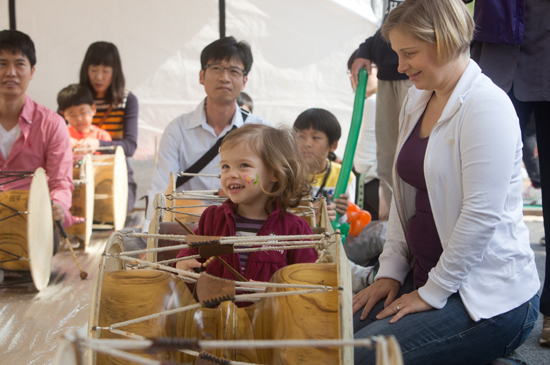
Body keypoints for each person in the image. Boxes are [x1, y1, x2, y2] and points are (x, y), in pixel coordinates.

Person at [351, 1, 540, 364]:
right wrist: (389, 273)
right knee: (332, 340)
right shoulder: (417, 99)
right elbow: (403, 202)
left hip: (486, 299)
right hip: (425, 278)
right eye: (397, 53)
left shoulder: (487, 106)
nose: (400, 66)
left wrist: (431, 293)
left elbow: (480, 216)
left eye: (409, 53)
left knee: (360, 358)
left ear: (446, 41)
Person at [469, 0, 550, 345]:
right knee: (473, 185)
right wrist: (371, 47)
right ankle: (472, 301)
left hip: (543, 59)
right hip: (494, 63)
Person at [146, 37, 270, 230]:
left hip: (246, 229)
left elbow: (272, 186)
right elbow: (161, 189)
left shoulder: (261, 130)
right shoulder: (177, 130)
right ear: (201, 76)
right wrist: (150, 237)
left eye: (234, 71)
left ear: (244, 81)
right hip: (187, 229)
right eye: (217, 68)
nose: (225, 78)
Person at [174, 124, 317, 285]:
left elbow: (307, 279)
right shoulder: (212, 219)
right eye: (225, 166)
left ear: (275, 173)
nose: (231, 174)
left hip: (270, 310)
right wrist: (182, 263)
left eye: (244, 165)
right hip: (215, 310)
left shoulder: (294, 229)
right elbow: (191, 252)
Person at [0, 30, 73, 229]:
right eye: (2, 63)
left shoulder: (51, 124)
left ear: (32, 71)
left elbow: (60, 182)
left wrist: (58, 205)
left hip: (34, 222)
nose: (11, 72)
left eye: (19, 64)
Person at [349, 0, 412, 220]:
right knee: (387, 163)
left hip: (414, 72)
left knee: (414, 160)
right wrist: (366, 49)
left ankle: (413, 241)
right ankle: (392, 238)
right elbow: (390, 22)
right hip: (387, 73)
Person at [78, 41, 138, 212]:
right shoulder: (74, 98)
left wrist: (98, 144)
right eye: (94, 70)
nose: (99, 77)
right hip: (80, 177)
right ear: (86, 70)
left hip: (116, 176)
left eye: (106, 71)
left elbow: (130, 146)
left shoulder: (127, 100)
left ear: (115, 72)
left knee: (113, 213)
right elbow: (55, 136)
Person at [293, 108, 356, 224]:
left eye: (315, 137)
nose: (307, 143)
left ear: (333, 145)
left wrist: (341, 214)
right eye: (301, 136)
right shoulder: (285, 173)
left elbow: (347, 225)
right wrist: (309, 214)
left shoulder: (345, 177)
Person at [348, 49, 381, 220]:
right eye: (352, 71)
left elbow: (363, 162)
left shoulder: (373, 101)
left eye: (366, 68)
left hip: (371, 185)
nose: (358, 76)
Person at [57, 83, 112, 149]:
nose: (78, 119)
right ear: (64, 115)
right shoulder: (62, 135)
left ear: (93, 109)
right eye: (72, 115)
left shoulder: (102, 136)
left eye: (83, 113)